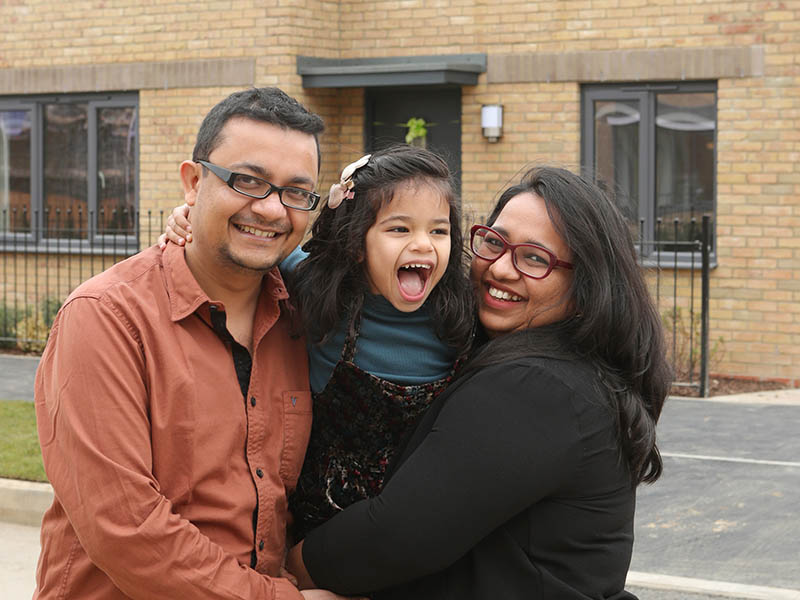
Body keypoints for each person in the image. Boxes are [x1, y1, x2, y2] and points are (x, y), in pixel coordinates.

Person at [285, 166, 671, 600]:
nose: (500, 268)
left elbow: (399, 534)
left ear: (587, 286)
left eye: (534, 258)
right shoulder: (525, 355)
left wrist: (289, 569)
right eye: (495, 242)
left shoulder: (538, 387)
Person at [33, 87, 348, 599]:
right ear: (194, 181)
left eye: (296, 192)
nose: (272, 210)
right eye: (248, 181)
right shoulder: (106, 319)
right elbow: (127, 530)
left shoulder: (303, 318)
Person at [162, 145, 475, 540]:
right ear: (356, 241)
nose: (423, 245)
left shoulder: (463, 312)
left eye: (439, 230)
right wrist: (188, 222)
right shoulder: (308, 285)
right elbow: (239, 256)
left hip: (419, 531)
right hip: (317, 532)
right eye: (399, 229)